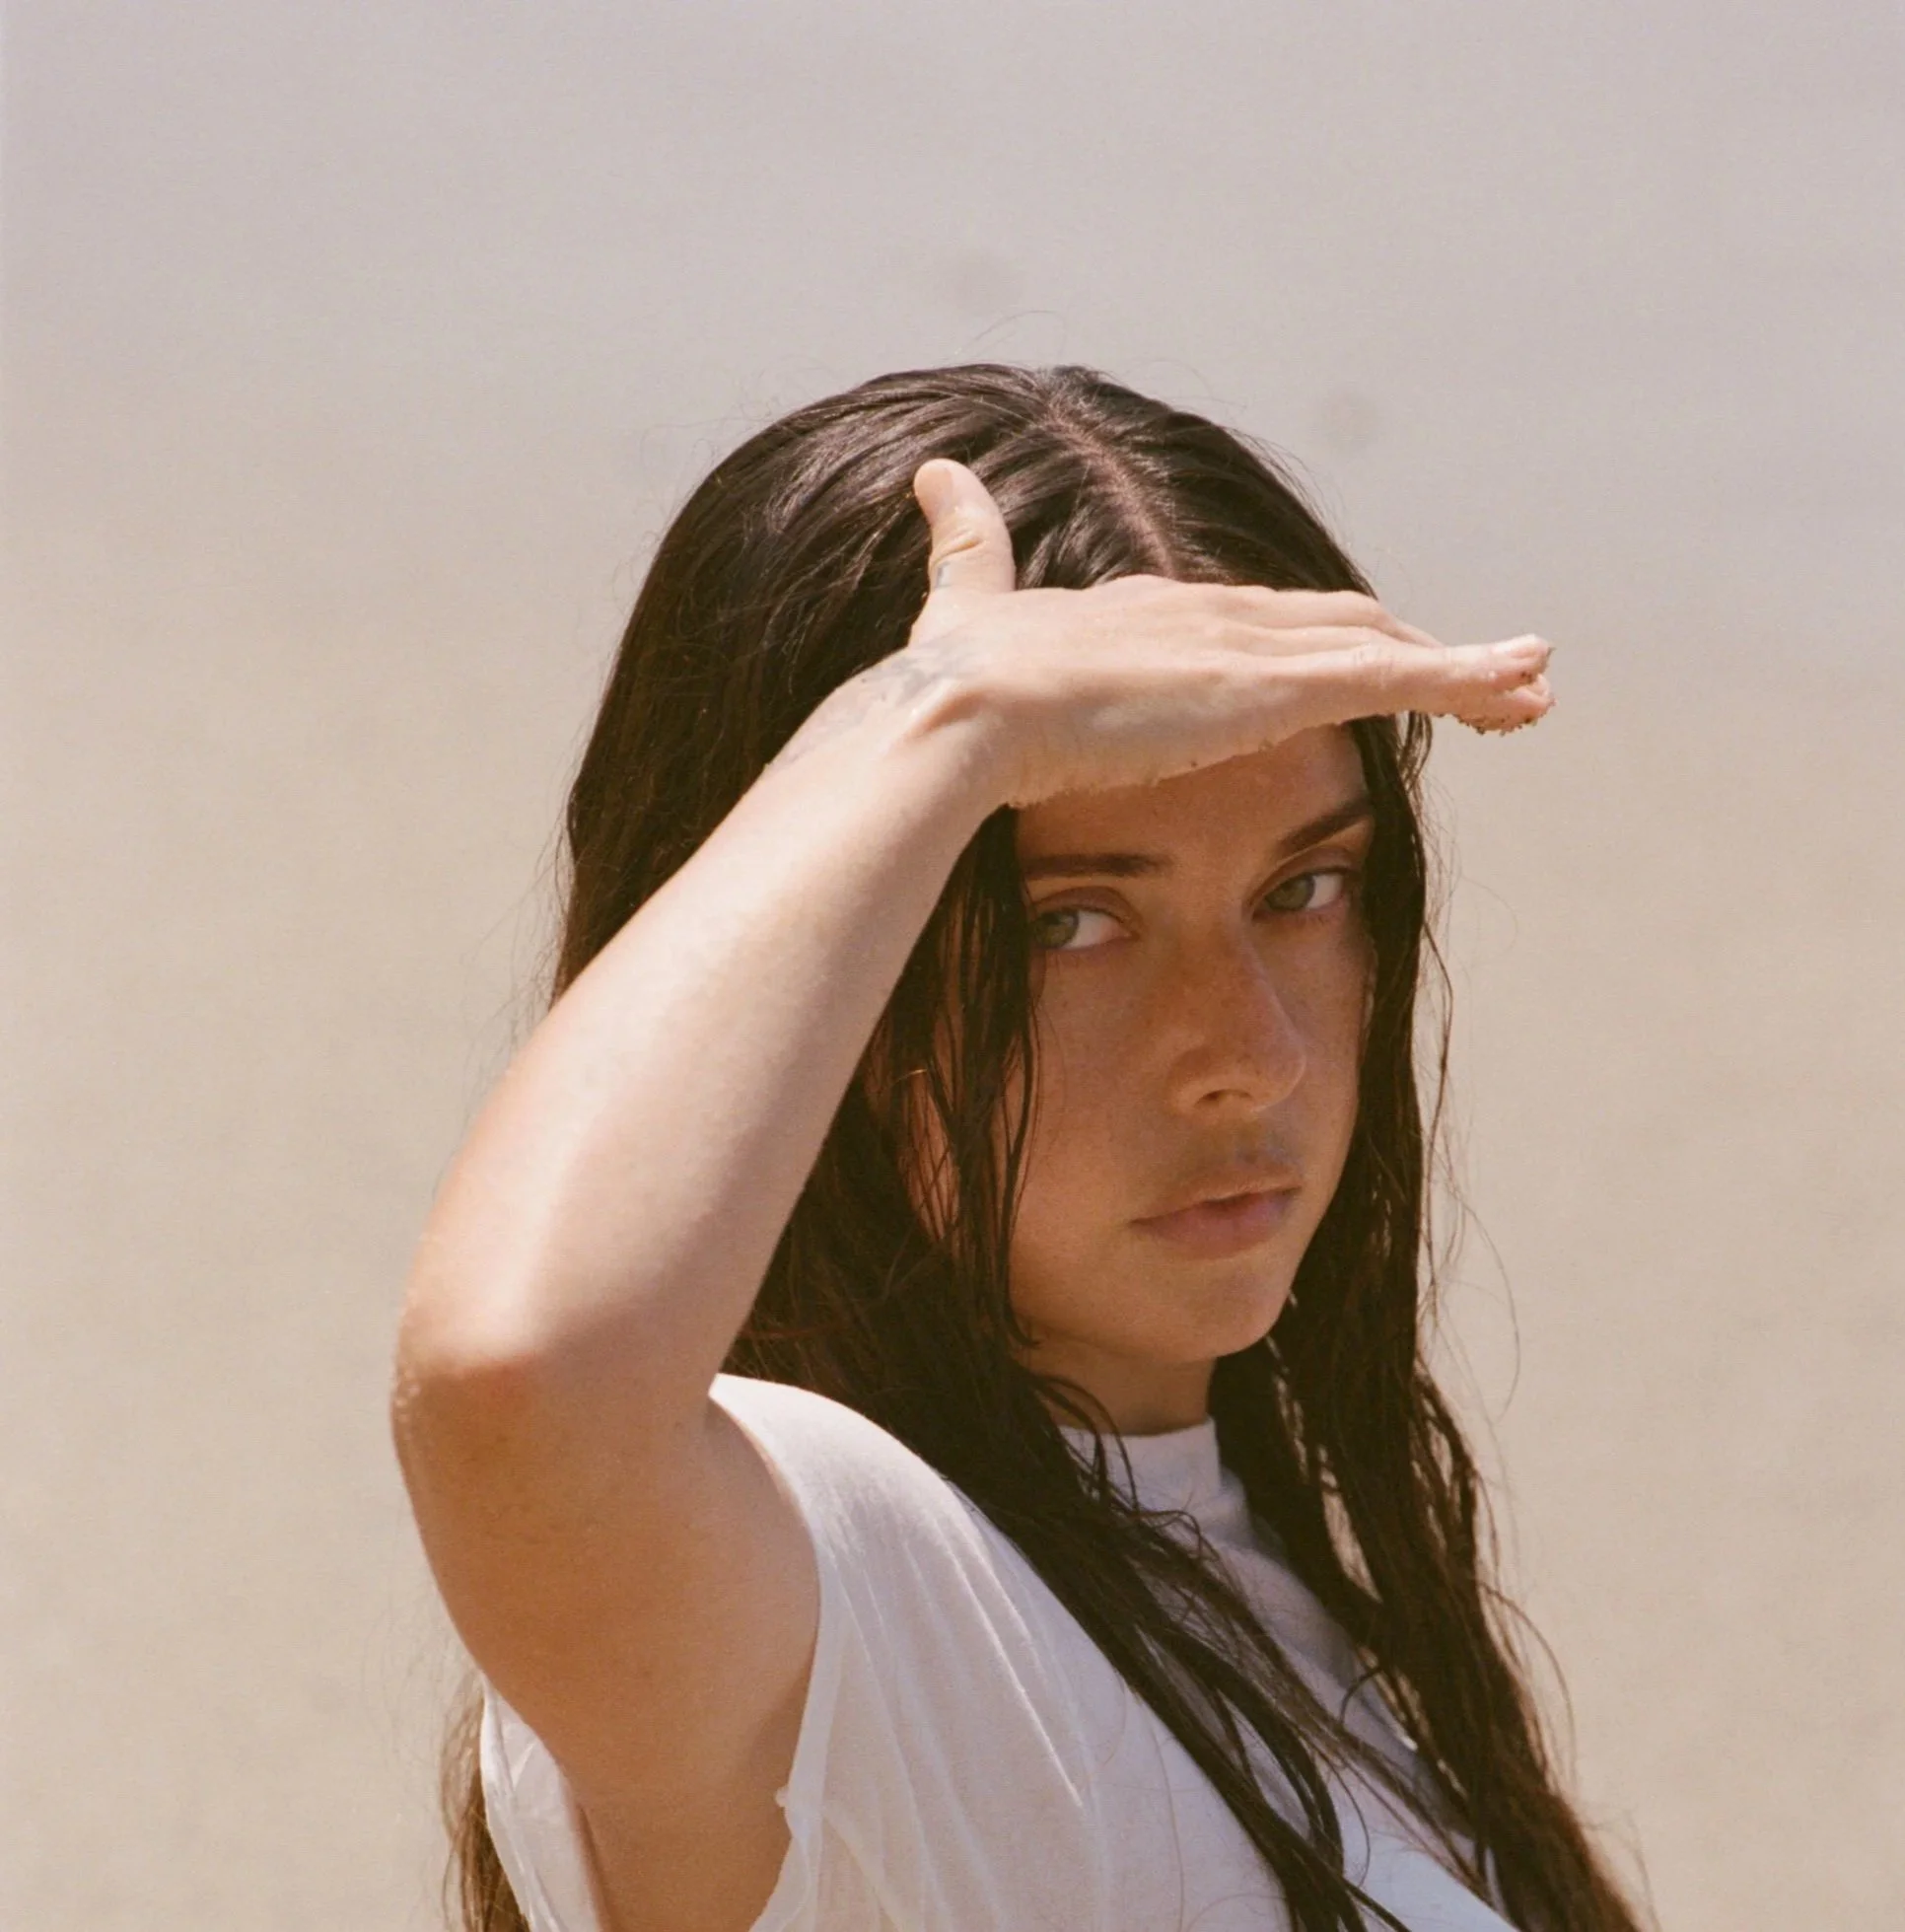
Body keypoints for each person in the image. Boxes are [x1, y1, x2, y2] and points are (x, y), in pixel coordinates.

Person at [391, 364, 1648, 1932]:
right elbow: (519, 1384)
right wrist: (944, 720)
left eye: (1304, 888)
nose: (1250, 1050)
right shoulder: (852, 1598)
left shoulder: (1261, 1570)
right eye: (1071, 921)